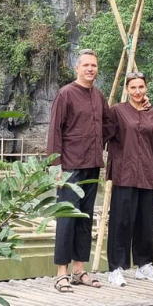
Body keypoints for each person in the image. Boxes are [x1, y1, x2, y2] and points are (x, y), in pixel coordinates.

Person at [47, 49, 109, 292]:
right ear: (77, 68)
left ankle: (78, 270)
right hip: (70, 167)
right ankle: (61, 273)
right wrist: (55, 168)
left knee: (85, 218)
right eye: (86, 65)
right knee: (67, 218)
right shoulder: (66, 94)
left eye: (94, 65)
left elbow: (109, 125)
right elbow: (54, 131)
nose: (90, 69)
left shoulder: (98, 96)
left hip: (92, 165)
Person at [104, 72, 153, 287]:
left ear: (146, 88)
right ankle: (115, 268)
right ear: (127, 90)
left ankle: (144, 265)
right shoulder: (117, 112)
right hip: (124, 173)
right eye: (133, 88)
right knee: (121, 222)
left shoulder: (151, 112)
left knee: (145, 221)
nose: (138, 91)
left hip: (146, 172)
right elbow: (103, 134)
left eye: (141, 87)